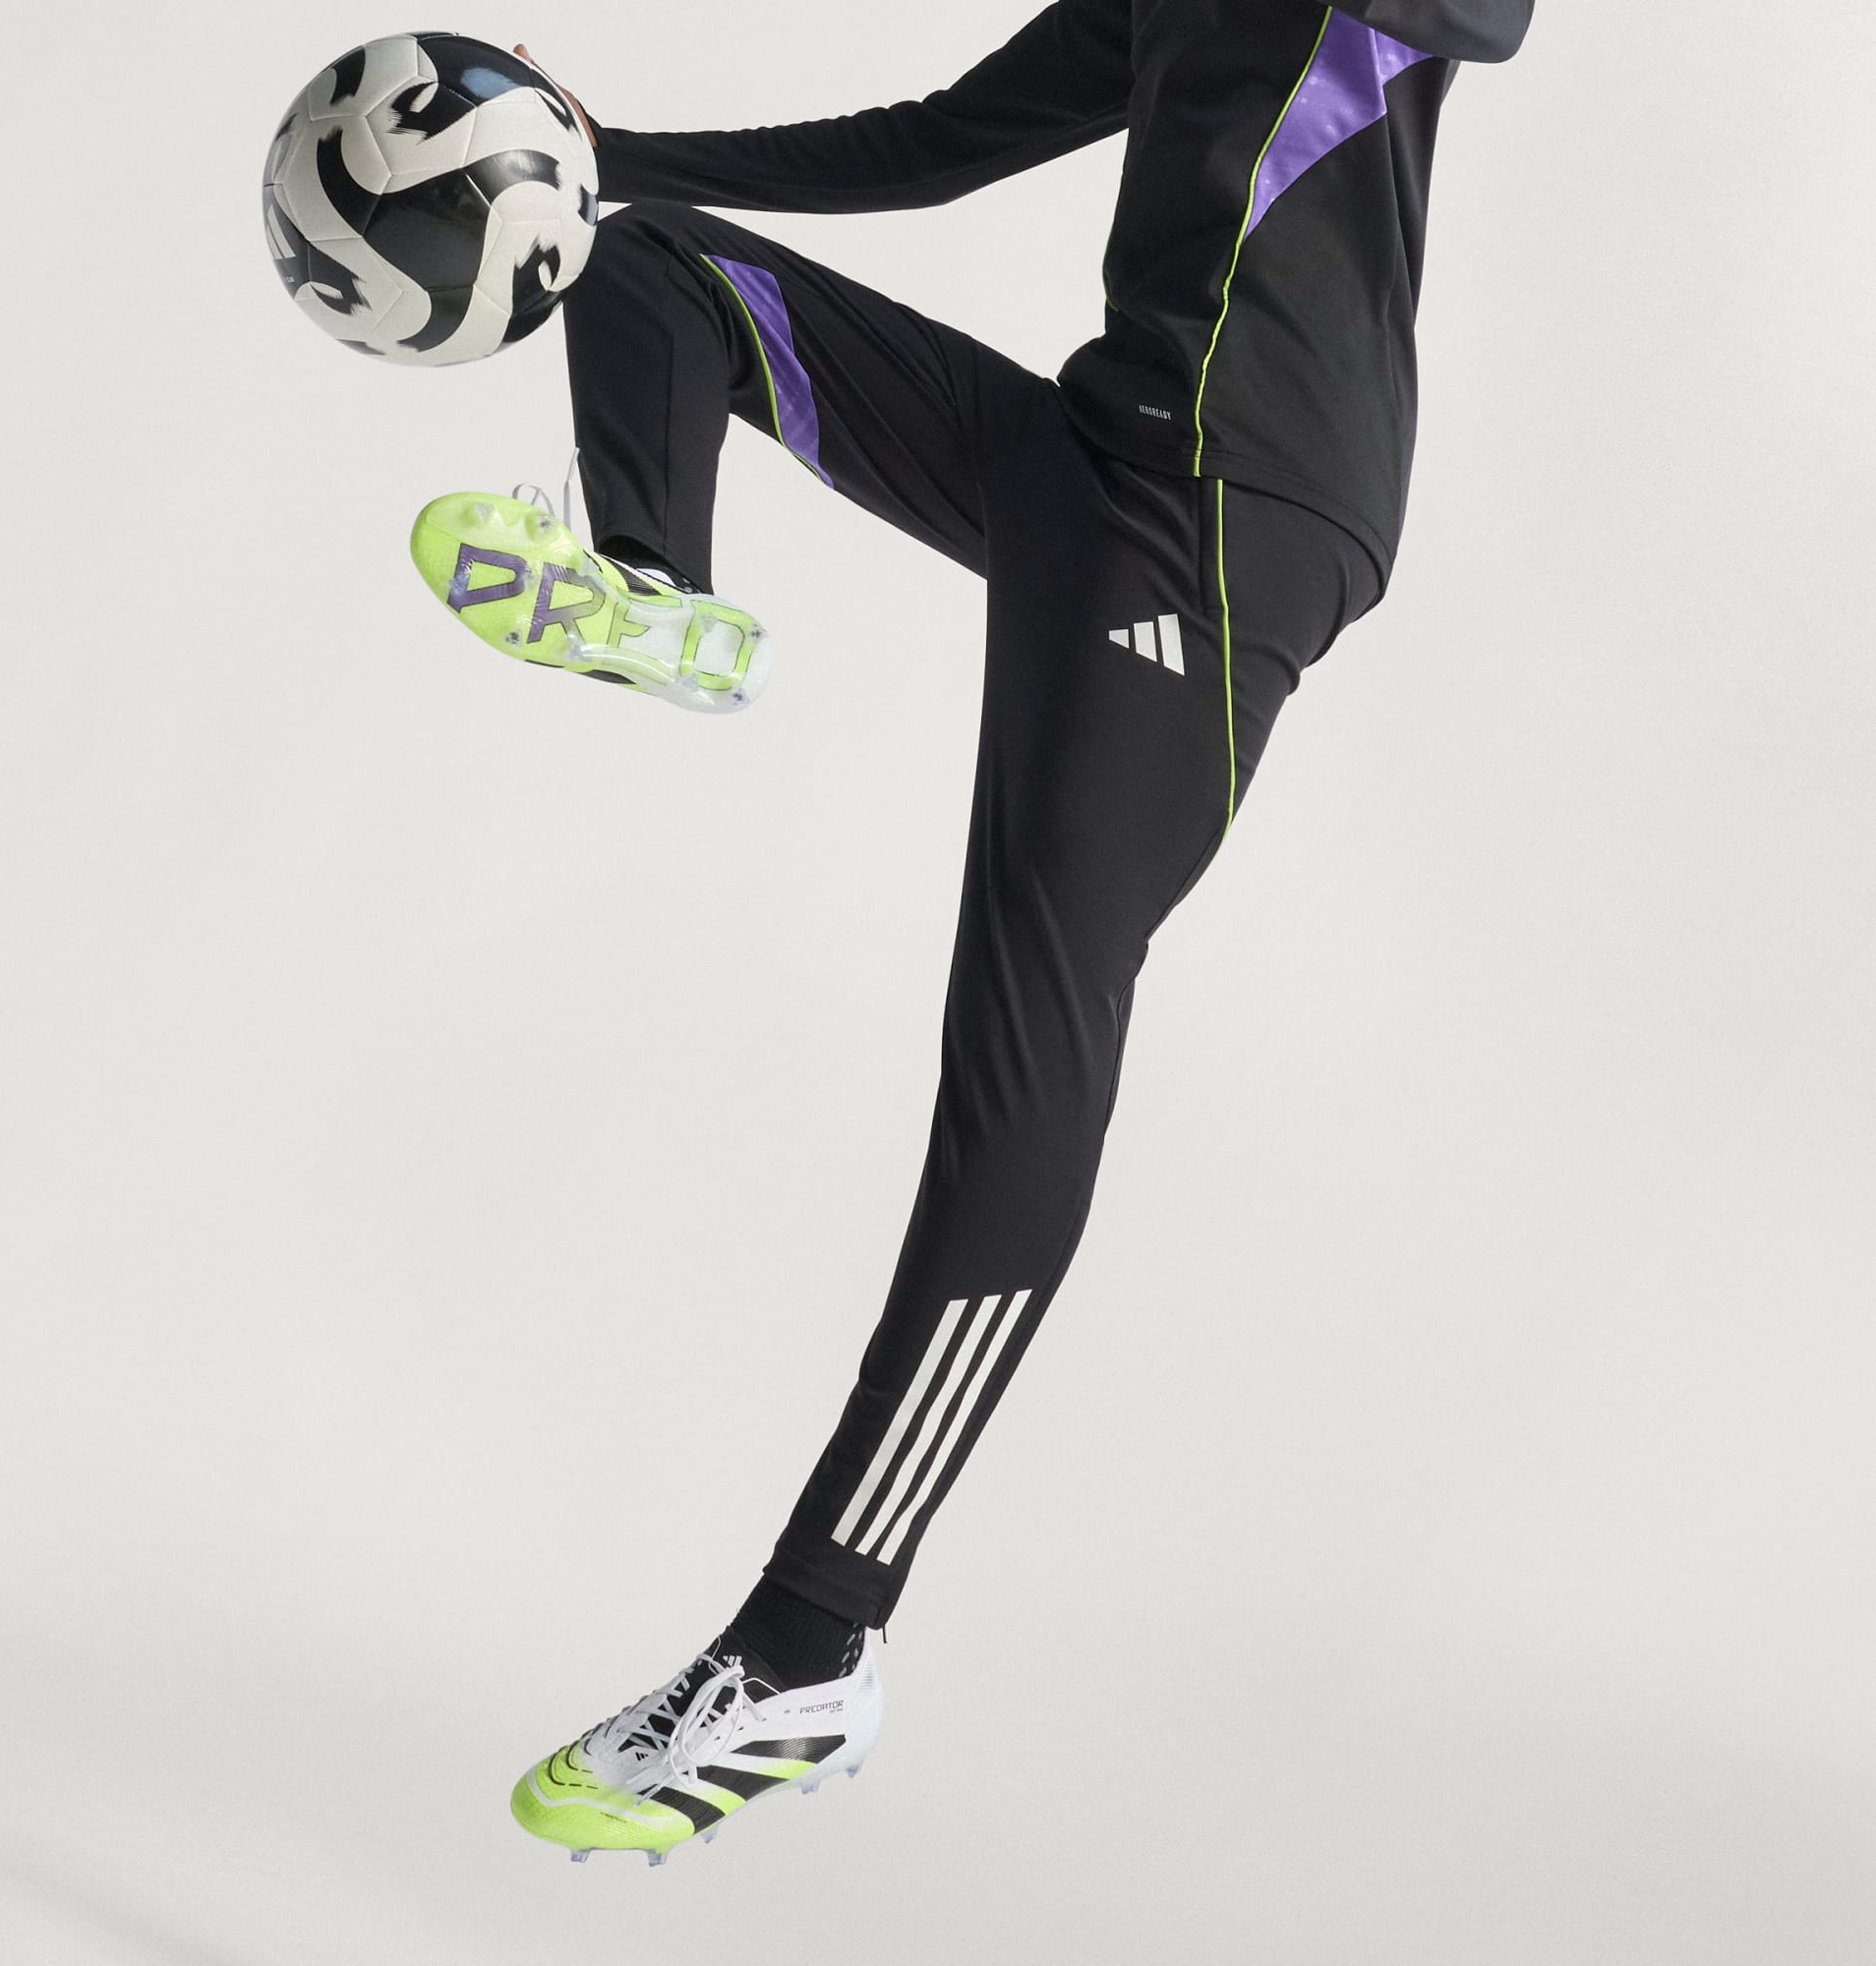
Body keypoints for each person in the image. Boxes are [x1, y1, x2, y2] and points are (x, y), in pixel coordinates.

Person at [407, 0, 1534, 1864]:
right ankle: (651, 587)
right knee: (658, 263)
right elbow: (935, 140)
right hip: (1090, 462)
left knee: (1028, 1033)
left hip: (1232, 520)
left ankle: (810, 1647)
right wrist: (602, 161)